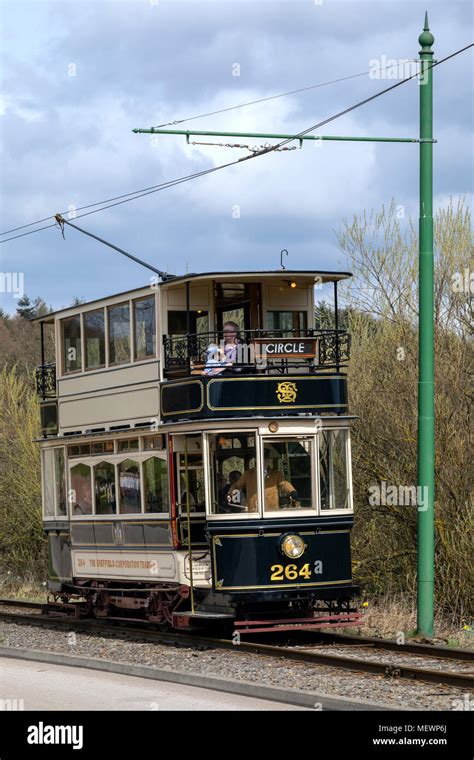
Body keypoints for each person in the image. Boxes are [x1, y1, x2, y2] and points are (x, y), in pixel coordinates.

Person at [228, 449, 299, 512]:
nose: (263, 461)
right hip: (253, 512)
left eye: (265, 459)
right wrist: (230, 494)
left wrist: (292, 491)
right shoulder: (248, 474)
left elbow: (284, 484)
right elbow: (236, 485)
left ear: (268, 460)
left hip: (272, 512)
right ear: (256, 460)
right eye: (260, 459)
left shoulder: (276, 474)